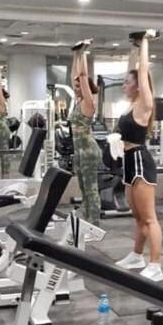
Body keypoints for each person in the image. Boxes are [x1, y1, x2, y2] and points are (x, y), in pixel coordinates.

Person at [114, 30, 163, 282]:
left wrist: (144, 43)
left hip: (141, 162)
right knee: (137, 217)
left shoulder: (145, 104)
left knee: (149, 218)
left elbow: (142, 72)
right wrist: (133, 49)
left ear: (138, 86)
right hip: (128, 162)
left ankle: (156, 265)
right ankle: (137, 255)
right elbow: (134, 70)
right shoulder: (131, 105)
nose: (123, 85)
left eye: (127, 82)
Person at [70, 40, 102, 226]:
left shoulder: (89, 103)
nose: (76, 89)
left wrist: (82, 52)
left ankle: (94, 223)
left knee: (91, 188)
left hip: (88, 150)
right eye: (75, 87)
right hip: (79, 150)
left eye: (78, 86)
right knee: (83, 187)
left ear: (85, 87)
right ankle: (87, 220)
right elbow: (75, 76)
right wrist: (75, 54)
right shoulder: (78, 102)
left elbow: (82, 75)